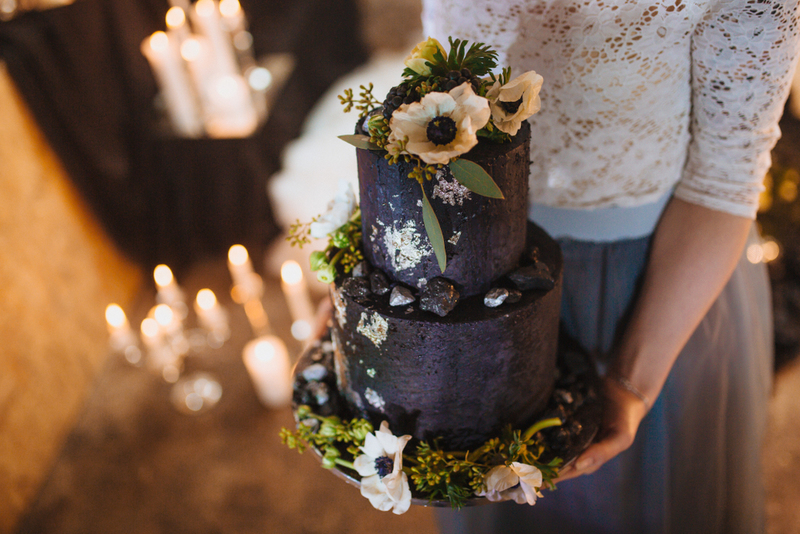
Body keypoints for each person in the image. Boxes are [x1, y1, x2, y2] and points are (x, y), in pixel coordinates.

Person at [426, 1, 800, 533]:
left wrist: (631, 380)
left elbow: (725, 173)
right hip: (477, 269)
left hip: (655, 283)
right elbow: (435, 90)